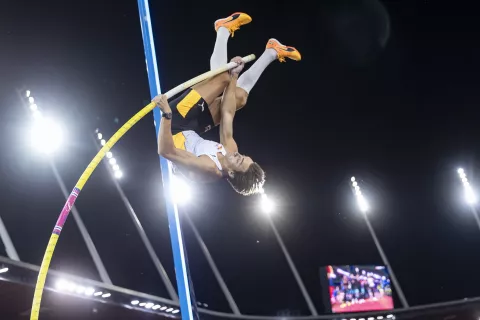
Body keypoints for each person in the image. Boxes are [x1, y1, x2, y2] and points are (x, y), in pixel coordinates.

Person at [154, 12, 301, 195]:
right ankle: (272, 51)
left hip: (174, 124)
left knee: (221, 76)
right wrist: (235, 77)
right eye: (245, 157)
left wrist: (167, 115)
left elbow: (166, 151)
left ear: (230, 173)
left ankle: (222, 28)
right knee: (239, 98)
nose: (238, 155)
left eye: (239, 161)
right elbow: (227, 113)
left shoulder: (208, 168)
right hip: (191, 128)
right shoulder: (231, 152)